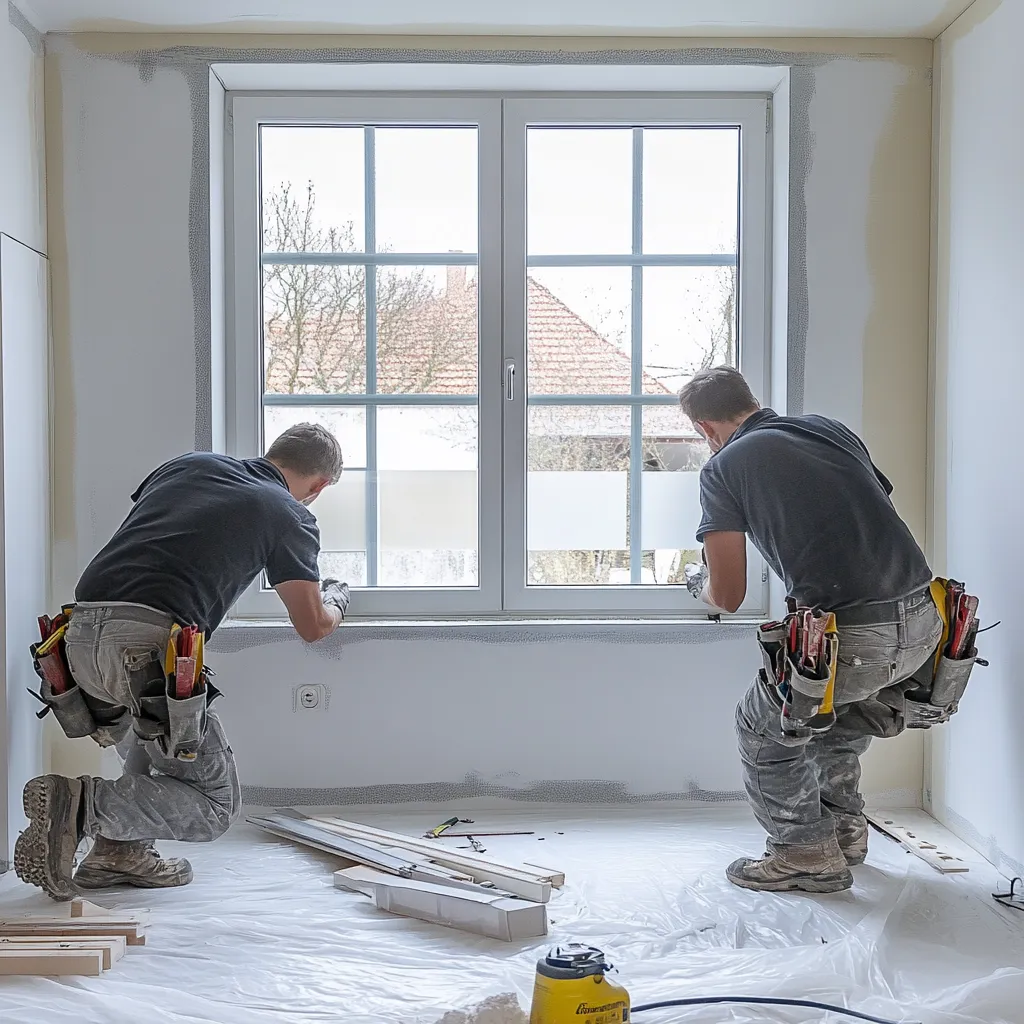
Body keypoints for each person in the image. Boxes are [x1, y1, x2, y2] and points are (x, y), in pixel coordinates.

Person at [14, 424, 352, 900]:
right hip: (142, 650)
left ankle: (118, 854)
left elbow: (165, 537)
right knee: (212, 805)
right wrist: (337, 596)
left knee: (146, 747)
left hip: (77, 637)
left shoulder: (190, 464)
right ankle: (81, 805)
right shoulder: (287, 513)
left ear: (273, 452)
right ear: (319, 486)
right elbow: (313, 625)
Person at [679, 367, 941, 894]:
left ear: (706, 429)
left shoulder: (724, 467)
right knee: (837, 721)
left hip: (857, 633)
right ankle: (844, 834)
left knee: (764, 729)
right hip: (924, 621)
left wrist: (696, 586)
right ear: (752, 402)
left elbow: (728, 595)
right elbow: (860, 512)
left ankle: (802, 854)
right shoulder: (827, 428)